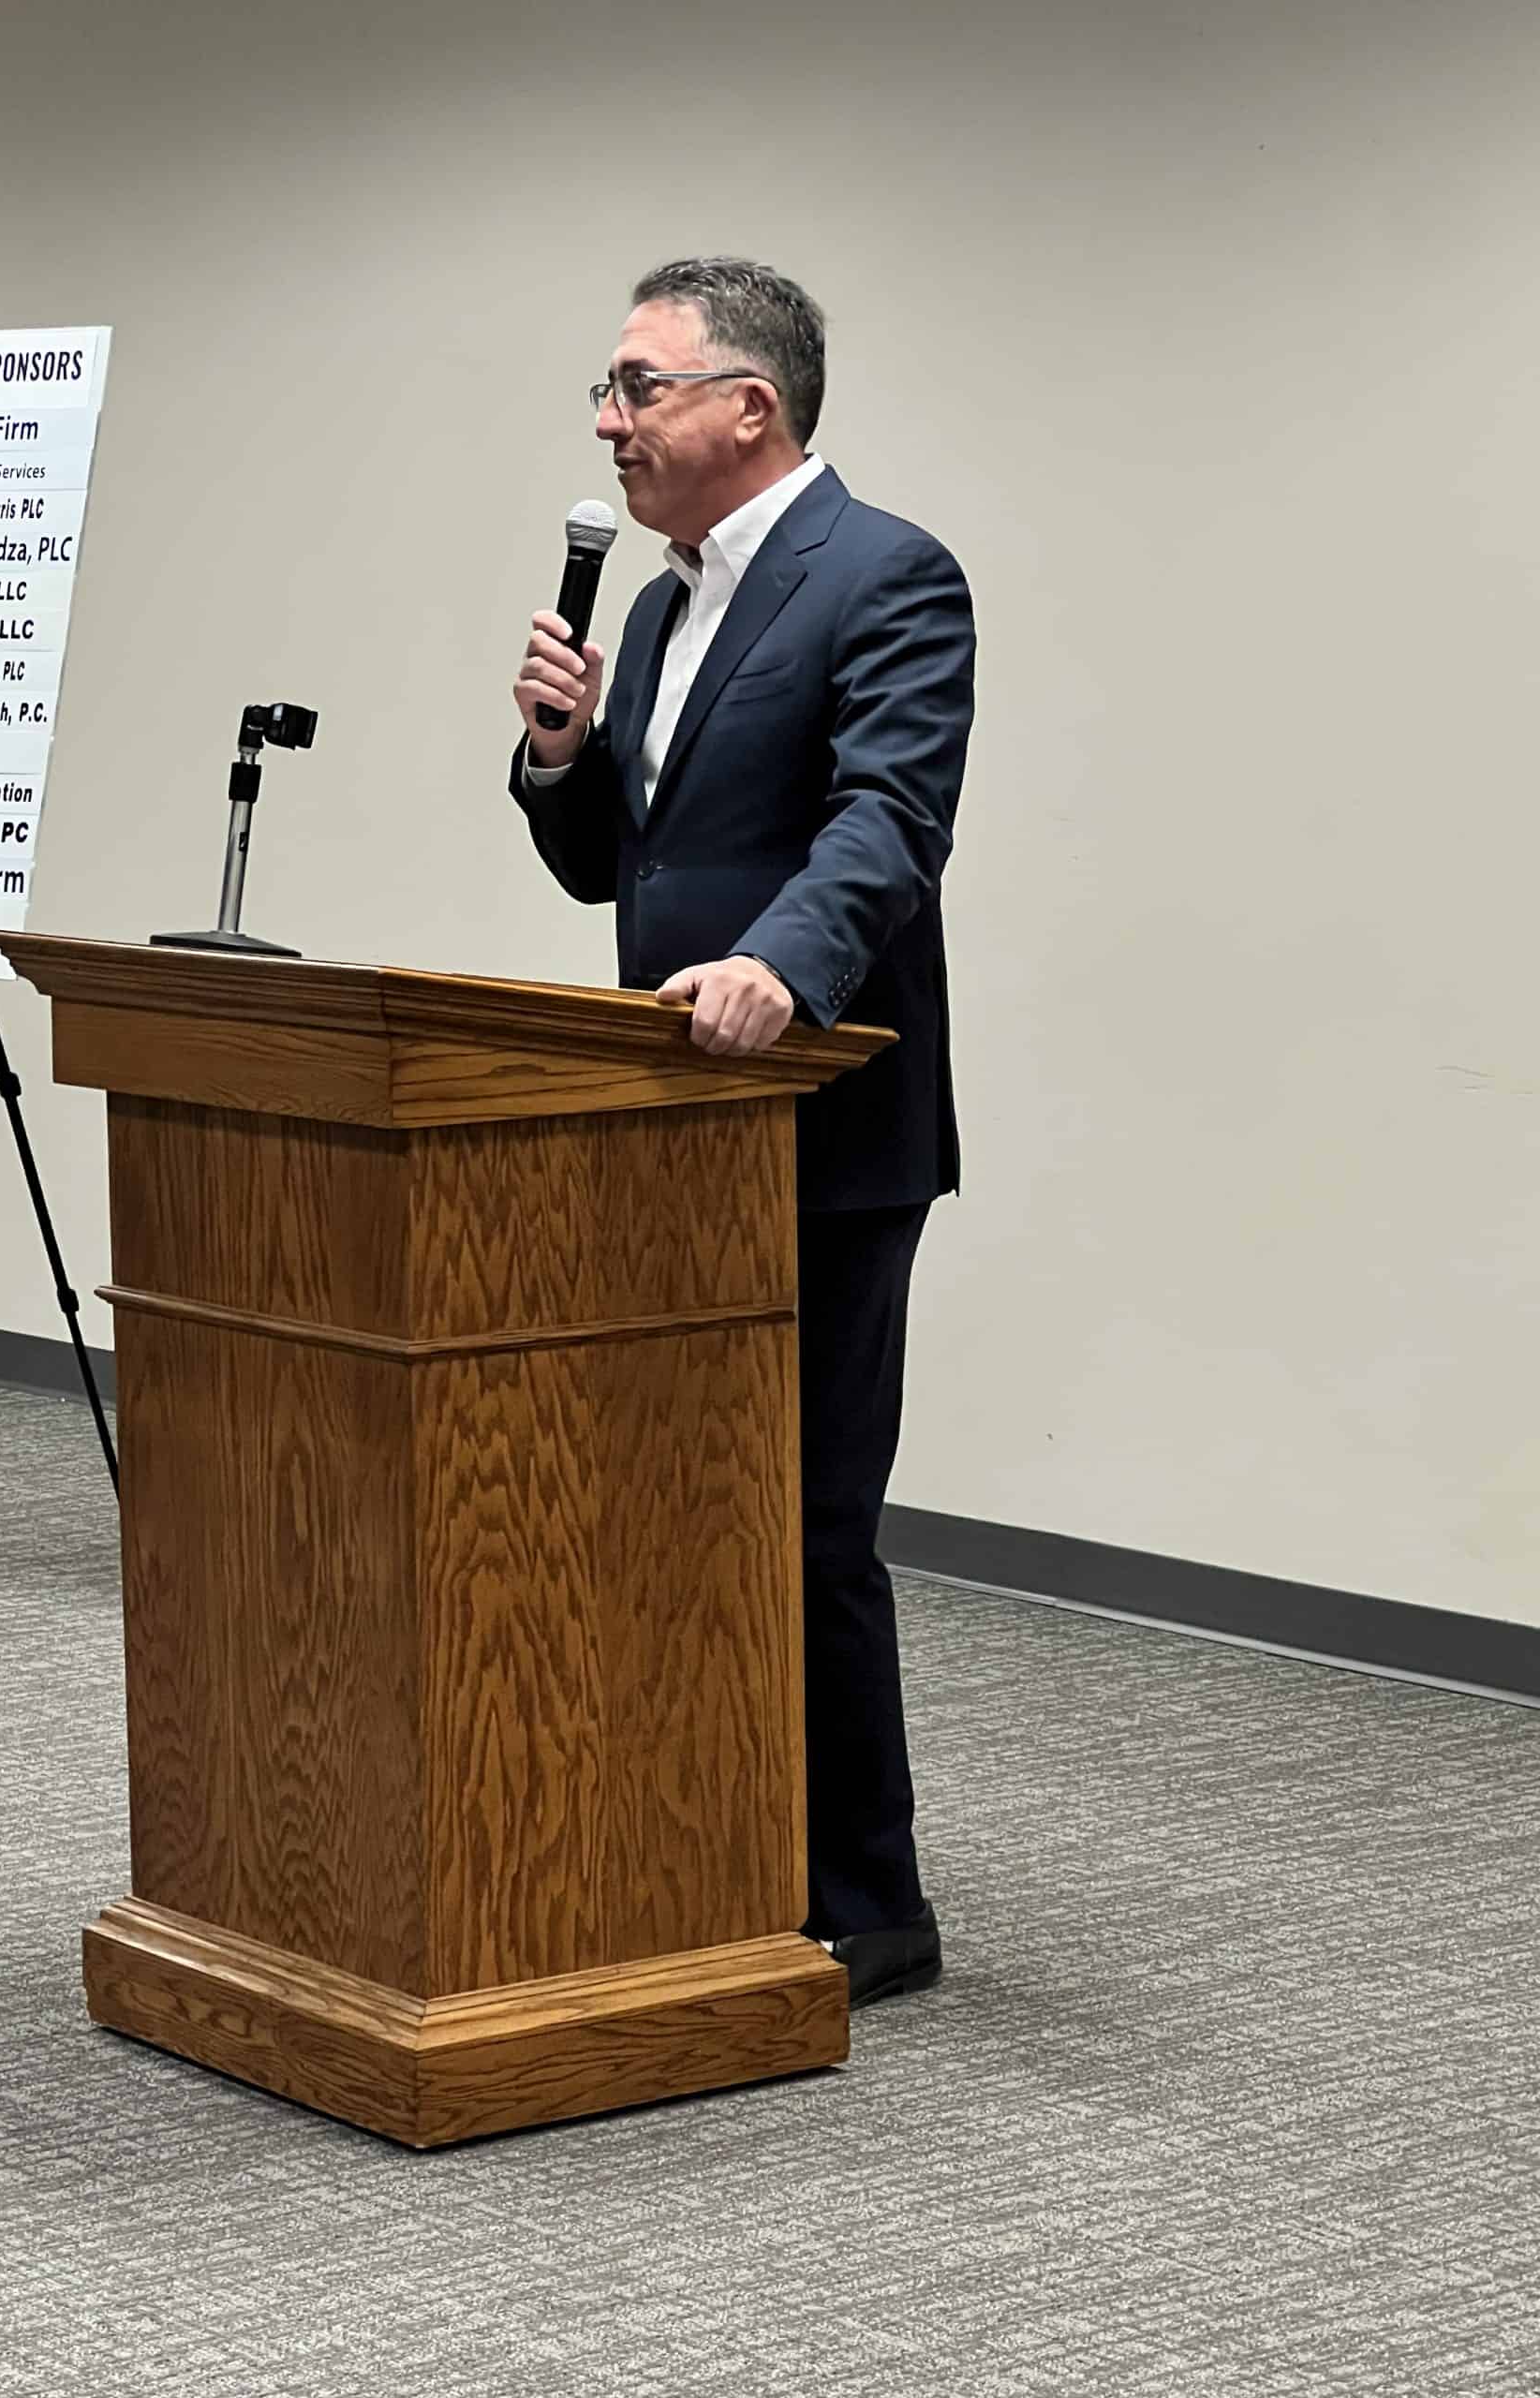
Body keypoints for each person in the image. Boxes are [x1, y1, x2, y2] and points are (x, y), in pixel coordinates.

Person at [509, 256, 975, 2007]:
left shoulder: (887, 574)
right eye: (610, 391)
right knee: (679, 1505)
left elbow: (888, 820)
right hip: (668, 1114)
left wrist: (783, 968)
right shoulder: (654, 613)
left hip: (824, 1118)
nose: (608, 421)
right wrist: (564, 755)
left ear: (748, 407)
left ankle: (867, 1904)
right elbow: (617, 873)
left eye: (638, 386)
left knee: (808, 1518)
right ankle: (708, 1842)